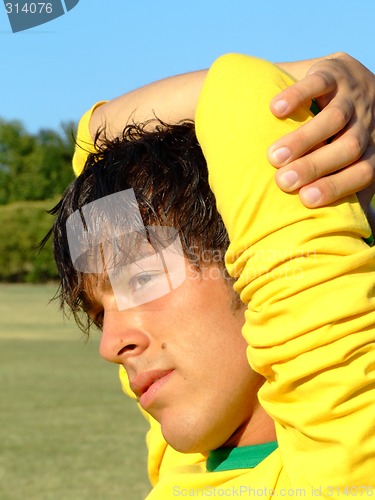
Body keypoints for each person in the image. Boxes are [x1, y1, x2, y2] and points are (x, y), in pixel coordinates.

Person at [47, 53, 375, 498]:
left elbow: (244, 97)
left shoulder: (343, 456)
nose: (111, 346)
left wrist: (312, 80)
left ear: (251, 264)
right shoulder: (186, 466)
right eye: (101, 314)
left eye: (140, 280)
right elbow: (94, 151)